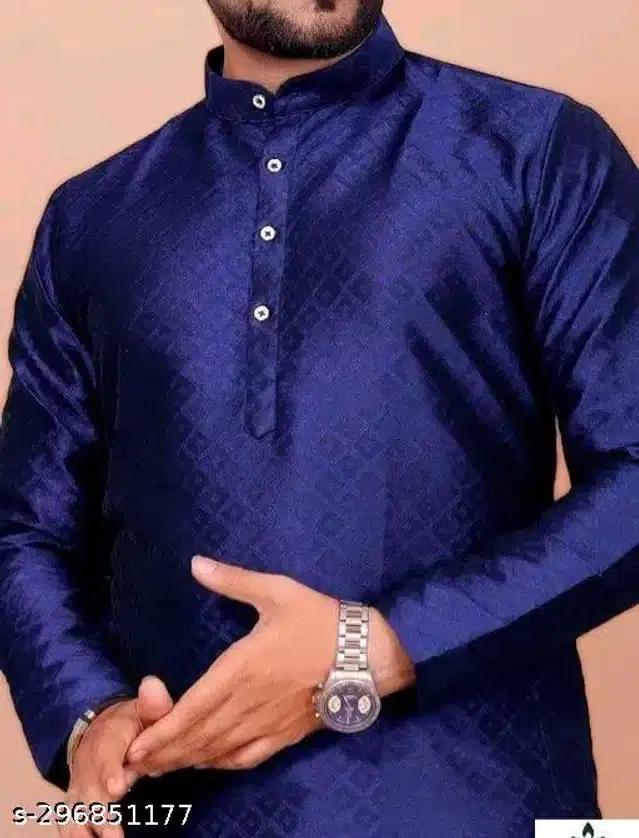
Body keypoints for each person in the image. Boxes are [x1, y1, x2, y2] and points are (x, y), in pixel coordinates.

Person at [1, 1, 638, 836]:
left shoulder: (536, 149)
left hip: (493, 806)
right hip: (189, 815)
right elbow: (25, 530)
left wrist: (377, 648)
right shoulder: (91, 217)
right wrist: (89, 718)